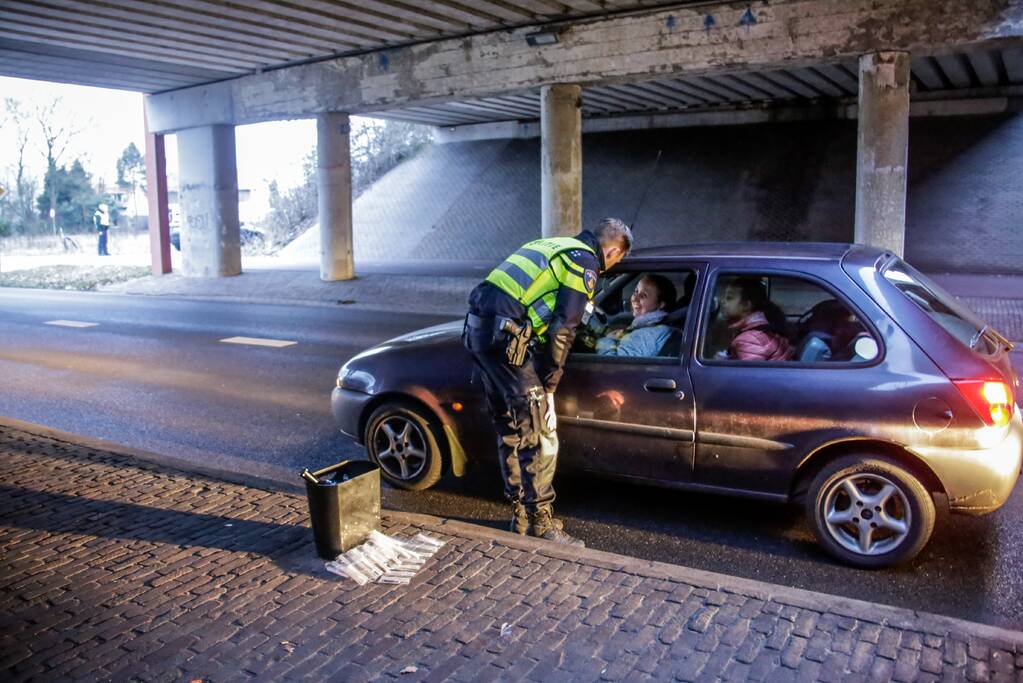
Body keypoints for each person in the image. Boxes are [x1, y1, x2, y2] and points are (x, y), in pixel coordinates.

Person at [463, 218, 633, 545]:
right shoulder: (583, 261)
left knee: (511, 428)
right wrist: (550, 384)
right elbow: (563, 329)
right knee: (540, 433)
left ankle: (521, 515)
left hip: (480, 335)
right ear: (612, 250)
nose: (613, 266)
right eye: (617, 260)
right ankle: (541, 522)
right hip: (507, 344)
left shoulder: (548, 245)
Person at [595, 274, 677, 357]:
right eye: (636, 291)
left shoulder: (648, 335)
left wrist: (605, 339)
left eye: (644, 295)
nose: (634, 298)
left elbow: (611, 363)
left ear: (660, 305)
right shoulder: (651, 328)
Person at [718, 277, 794, 361]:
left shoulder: (749, 339)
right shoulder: (759, 329)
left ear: (746, 305)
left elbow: (750, 372)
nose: (722, 301)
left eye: (729, 298)